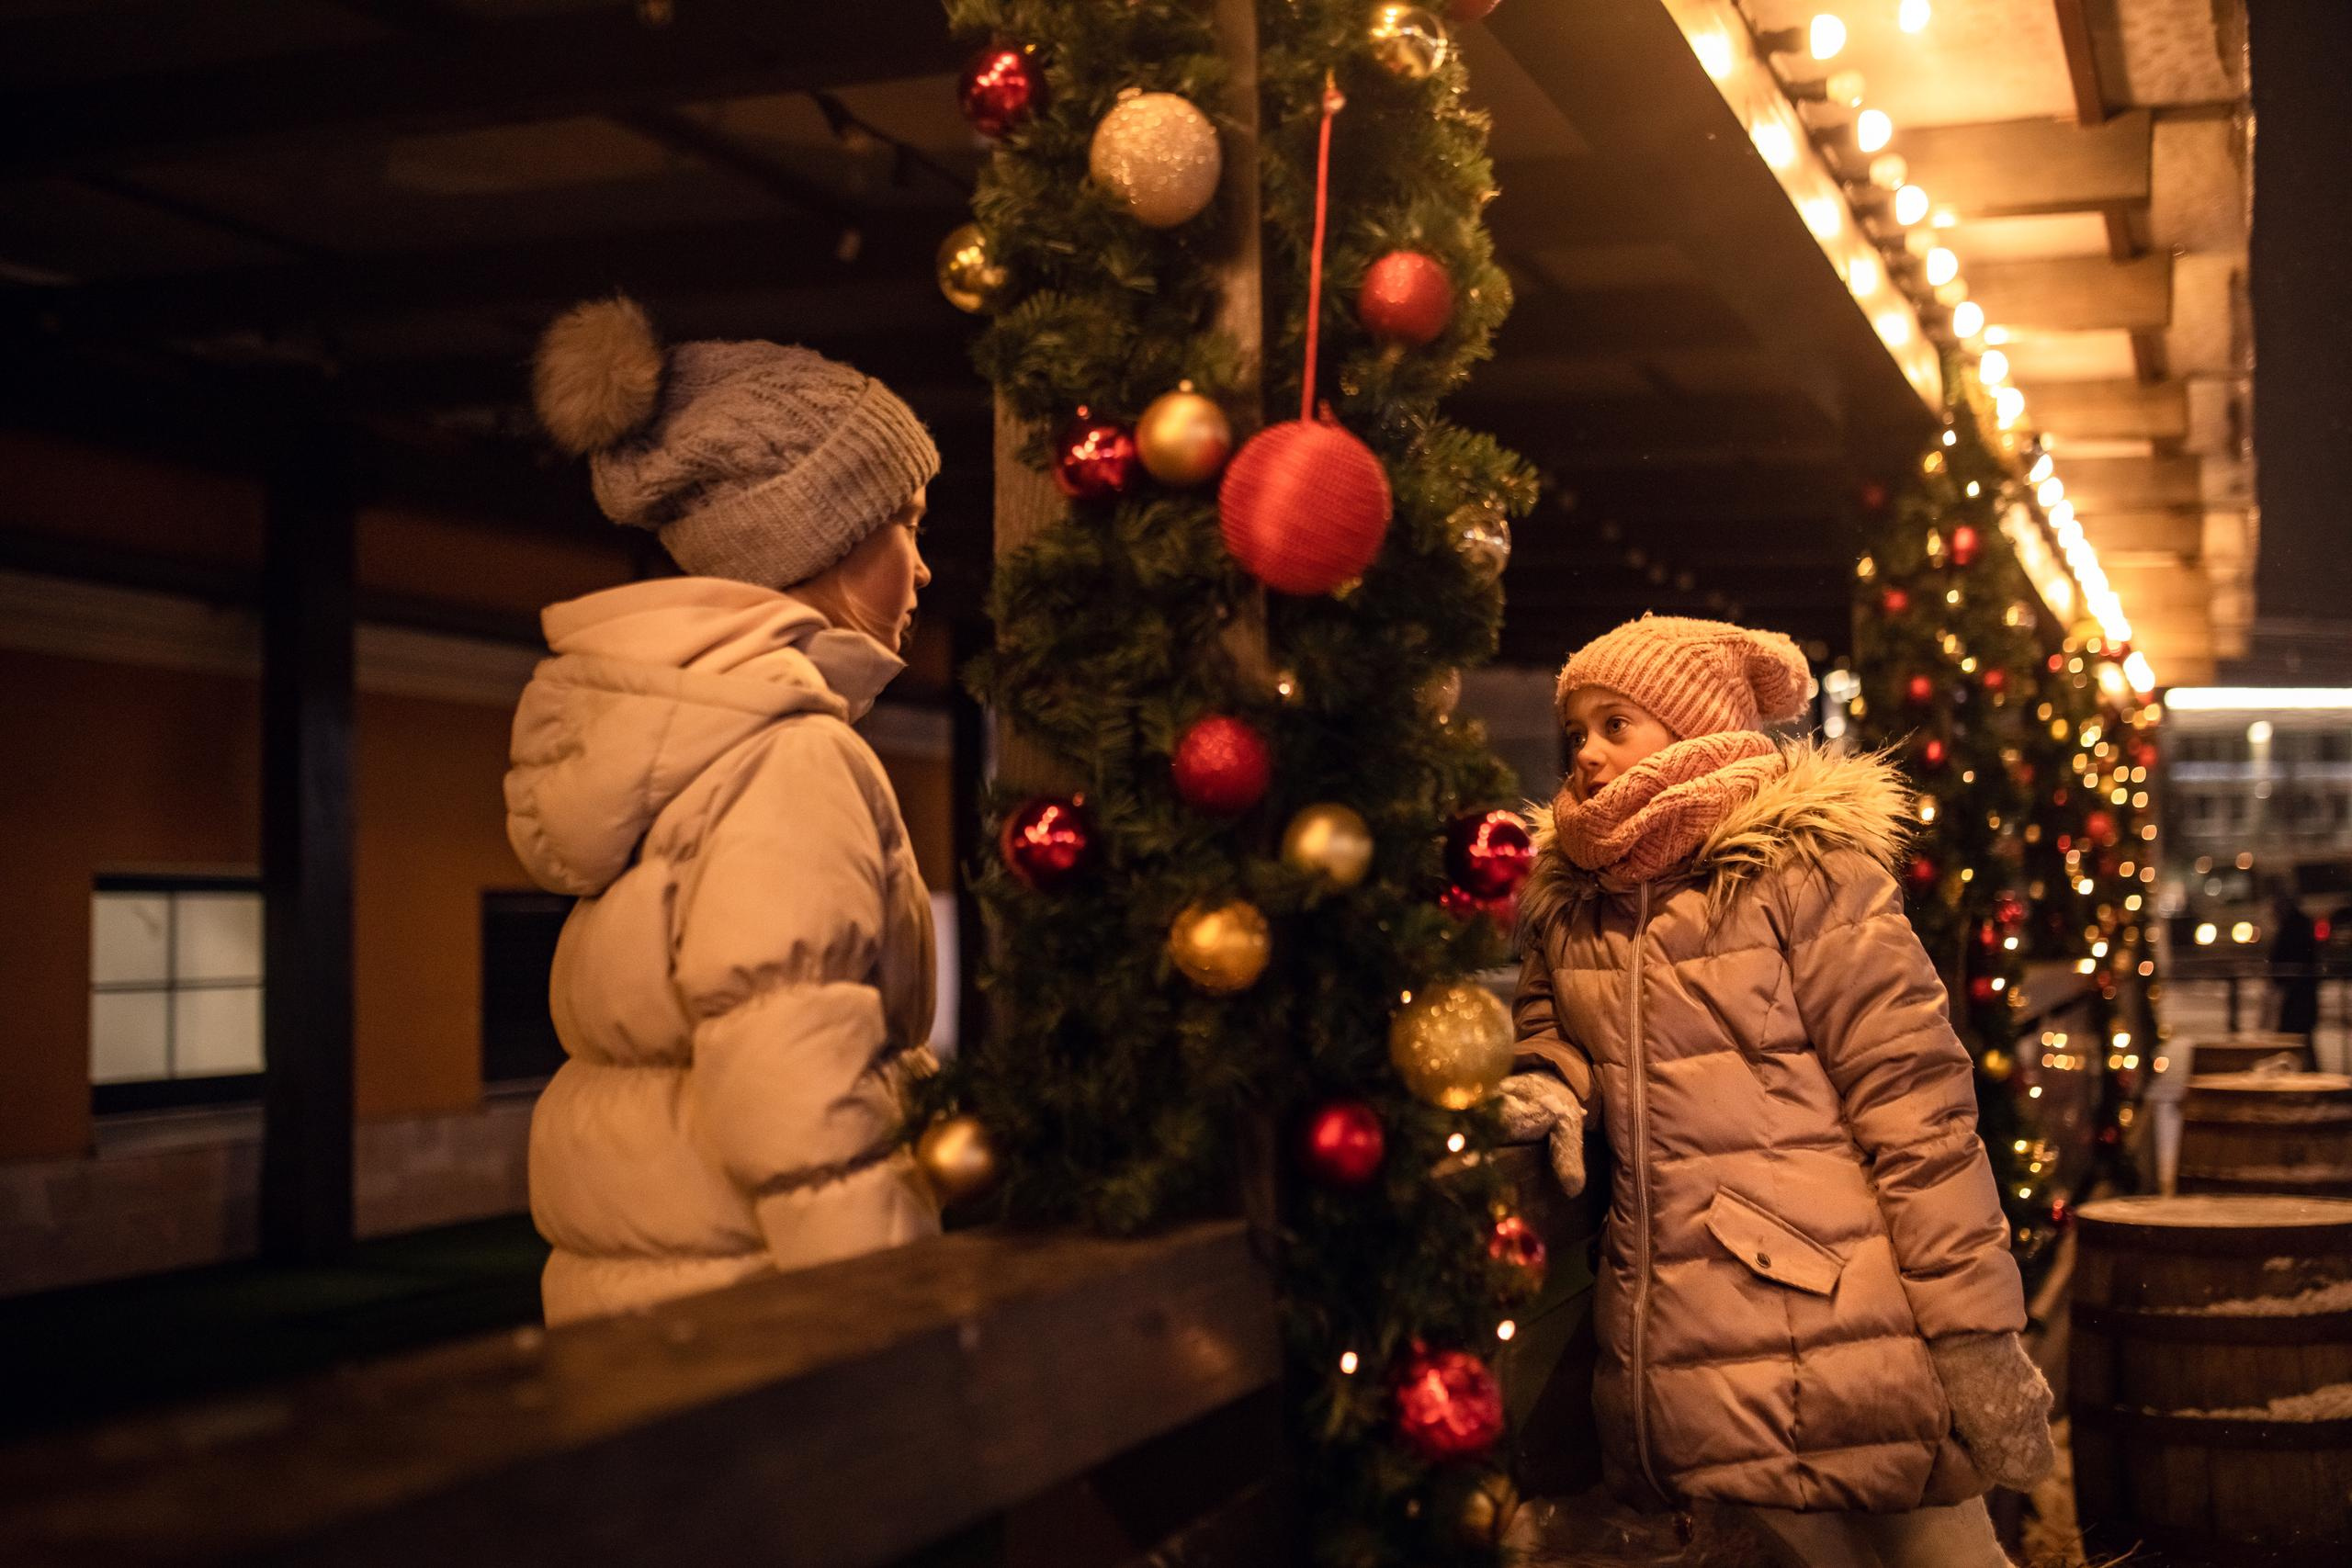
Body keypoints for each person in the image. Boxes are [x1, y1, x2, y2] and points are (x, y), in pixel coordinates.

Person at [1498, 615, 2052, 1568]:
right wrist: (1549, 1078)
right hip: (1676, 1326)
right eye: (1576, 729)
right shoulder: (1574, 899)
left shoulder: (1804, 875)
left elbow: (1919, 1112)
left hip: (1840, 1311)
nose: (1584, 752)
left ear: (1693, 727)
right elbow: (1549, 1025)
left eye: (1614, 723)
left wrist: (1975, 1336)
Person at [506, 297, 944, 1326]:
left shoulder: (674, 744)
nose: (922, 566)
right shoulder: (786, 758)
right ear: (819, 537)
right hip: (771, 1342)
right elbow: (804, 1103)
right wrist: (899, 1337)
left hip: (653, 1336)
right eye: (906, 525)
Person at [2267, 881, 2320, 1043]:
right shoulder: (2300, 924)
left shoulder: (2291, 928)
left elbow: (2280, 957)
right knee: (2301, 1038)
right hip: (2303, 993)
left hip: (2296, 993)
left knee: (2292, 1037)